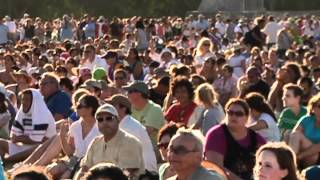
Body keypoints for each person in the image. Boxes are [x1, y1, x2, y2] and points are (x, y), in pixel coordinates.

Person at [75, 103, 144, 180]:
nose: (104, 122)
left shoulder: (130, 142)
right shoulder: (96, 142)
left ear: (118, 120)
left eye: (109, 118)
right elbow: (84, 169)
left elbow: (126, 174)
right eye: (100, 120)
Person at [205, 98, 266, 180]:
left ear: (247, 117)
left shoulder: (256, 138)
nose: (233, 116)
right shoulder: (216, 134)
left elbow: (268, 162)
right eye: (230, 113)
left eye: (239, 114)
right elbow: (215, 167)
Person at [0, 89, 56, 163]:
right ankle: (3, 160)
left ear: (35, 101)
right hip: (23, 146)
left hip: (42, 148)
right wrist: (27, 139)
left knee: (38, 147)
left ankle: (8, 160)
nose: (24, 102)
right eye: (23, 99)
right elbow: (13, 138)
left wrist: (21, 138)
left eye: (27, 99)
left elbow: (36, 140)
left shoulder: (43, 114)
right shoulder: (21, 113)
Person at [106, 94, 157, 172]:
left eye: (113, 106)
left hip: (144, 172)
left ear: (123, 108)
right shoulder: (124, 124)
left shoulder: (131, 127)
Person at [288, 92, 320, 168]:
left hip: (315, 157)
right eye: (319, 106)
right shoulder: (306, 119)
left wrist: (299, 156)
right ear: (313, 108)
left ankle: (290, 164)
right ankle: (290, 163)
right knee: (289, 134)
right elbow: (294, 135)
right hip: (300, 153)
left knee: (314, 154)